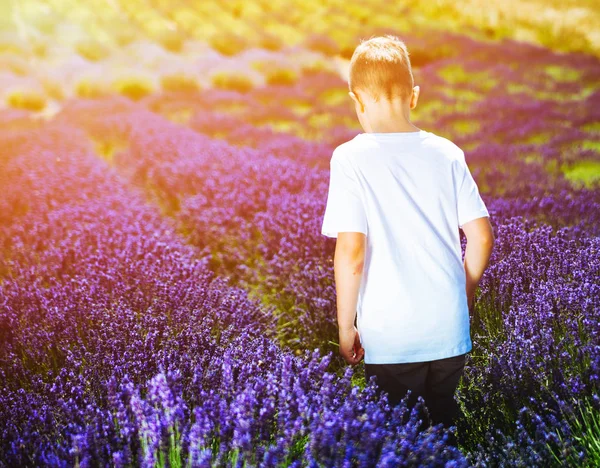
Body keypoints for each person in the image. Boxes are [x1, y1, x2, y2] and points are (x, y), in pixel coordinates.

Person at [320, 35, 495, 442]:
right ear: (413, 96)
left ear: (356, 99)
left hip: (392, 332)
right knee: (444, 427)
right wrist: (463, 290)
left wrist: (346, 326)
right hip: (449, 329)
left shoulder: (350, 158)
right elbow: (481, 236)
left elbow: (351, 252)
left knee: (400, 439)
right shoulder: (447, 153)